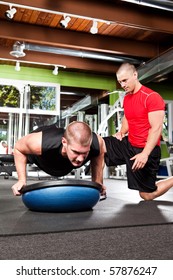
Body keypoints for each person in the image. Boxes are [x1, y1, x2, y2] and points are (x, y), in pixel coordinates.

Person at [103, 62, 173, 200]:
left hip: (146, 149)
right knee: (99, 145)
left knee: (146, 195)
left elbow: (156, 128)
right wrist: (121, 132)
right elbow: (128, 117)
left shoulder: (152, 97)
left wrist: (145, 154)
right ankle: (99, 187)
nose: (122, 85)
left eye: (124, 80)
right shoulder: (127, 98)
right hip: (129, 144)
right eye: (119, 82)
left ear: (135, 75)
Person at [11, 121, 106, 196]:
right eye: (76, 152)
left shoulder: (97, 143)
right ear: (64, 142)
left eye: (85, 153)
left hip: (64, 164)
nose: (80, 159)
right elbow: (19, 148)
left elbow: (100, 152)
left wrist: (97, 182)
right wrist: (21, 180)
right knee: (24, 149)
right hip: (40, 157)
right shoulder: (41, 143)